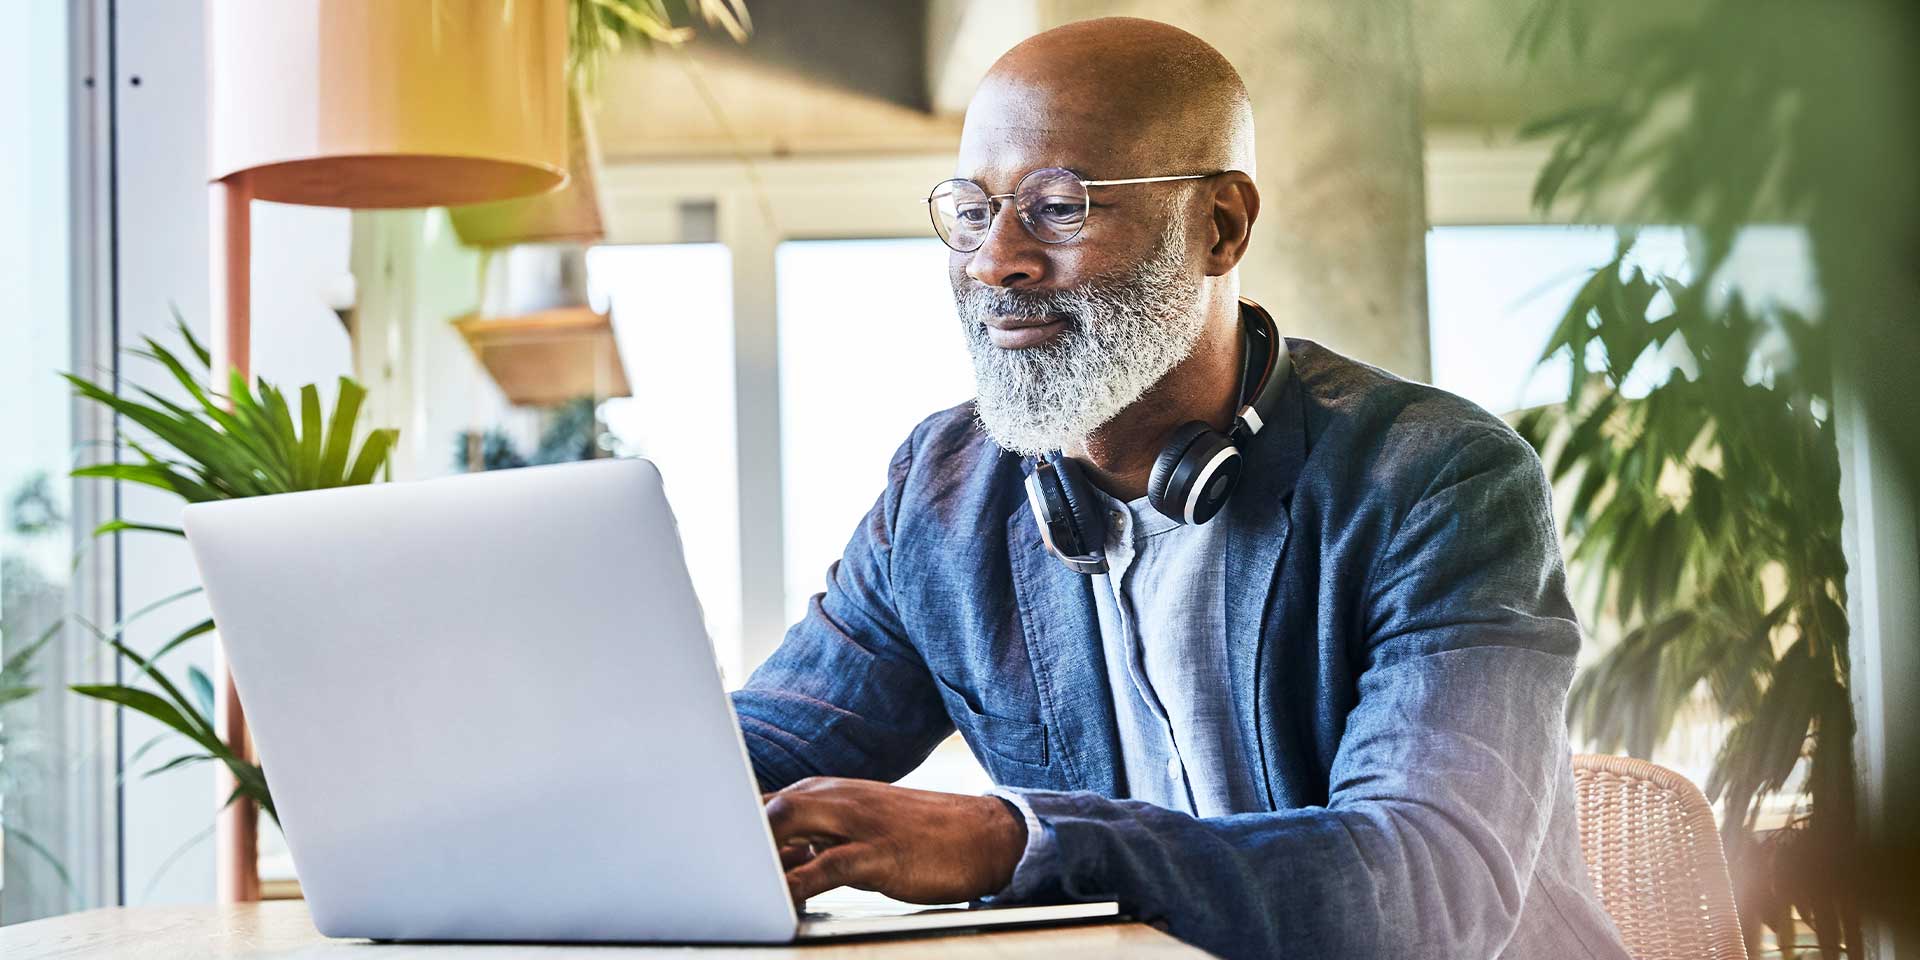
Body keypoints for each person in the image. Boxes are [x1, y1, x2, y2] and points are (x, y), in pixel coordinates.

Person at [731, 16, 1630, 960]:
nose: (997, 260)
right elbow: (767, 756)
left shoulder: (1436, 479)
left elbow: (1424, 888)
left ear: (1221, 225)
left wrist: (1014, 842)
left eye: (1061, 207)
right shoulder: (943, 495)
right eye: (971, 209)